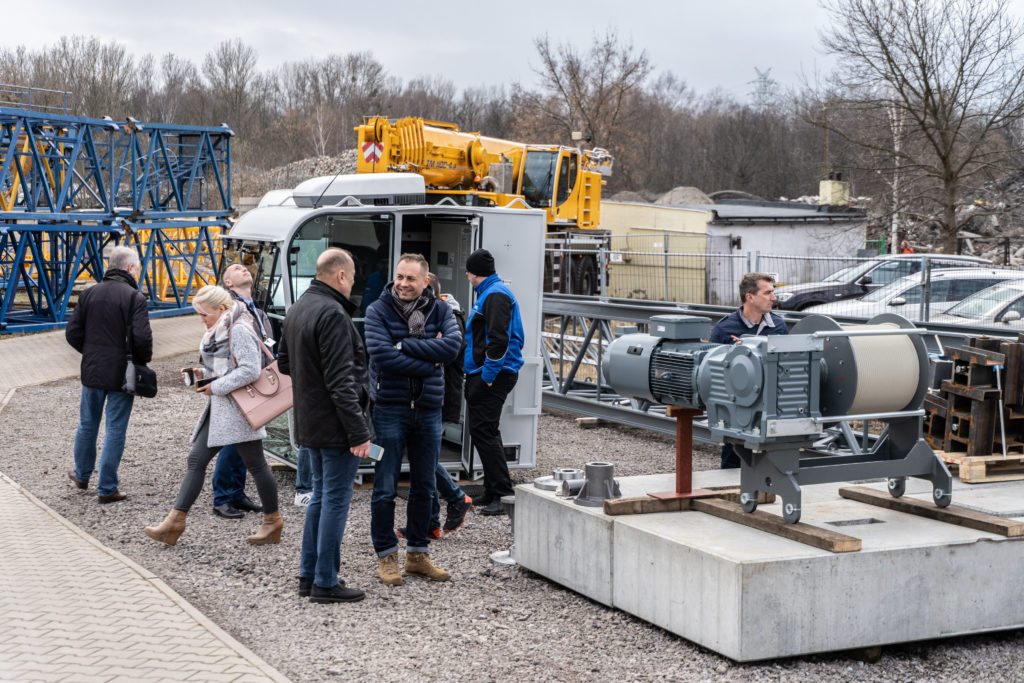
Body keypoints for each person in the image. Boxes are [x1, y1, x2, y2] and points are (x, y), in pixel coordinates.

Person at [143, 285, 282, 545]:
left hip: (240, 411)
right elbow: (225, 368)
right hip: (223, 409)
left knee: (256, 465)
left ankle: (273, 522)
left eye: (204, 314)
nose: (201, 319)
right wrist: (202, 374)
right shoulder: (221, 329)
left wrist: (215, 386)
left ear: (221, 309)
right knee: (196, 460)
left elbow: (250, 370)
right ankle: (174, 523)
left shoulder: (238, 329)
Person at [278, 248, 371, 604]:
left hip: (310, 420)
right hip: (336, 426)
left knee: (320, 496)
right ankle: (325, 582)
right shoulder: (333, 313)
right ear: (341, 276)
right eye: (352, 277)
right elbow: (341, 382)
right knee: (334, 499)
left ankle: (309, 575)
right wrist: (358, 432)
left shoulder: (299, 307)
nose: (352, 284)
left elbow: (284, 364)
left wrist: (311, 379)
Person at [365, 253, 460, 585]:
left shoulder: (441, 310)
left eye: (411, 279)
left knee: (425, 486)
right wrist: (430, 360)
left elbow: (452, 348)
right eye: (399, 277)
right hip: (389, 409)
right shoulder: (378, 310)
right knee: (384, 487)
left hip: (429, 410)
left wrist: (404, 345)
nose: (403, 284)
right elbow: (382, 356)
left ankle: (418, 554)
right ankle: (387, 556)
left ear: (425, 281)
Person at [66, 245, 152, 503]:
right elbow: (142, 339)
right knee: (115, 428)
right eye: (136, 268)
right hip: (122, 374)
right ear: (129, 268)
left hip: (92, 371)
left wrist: (91, 352)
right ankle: (106, 488)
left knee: (87, 424)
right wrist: (141, 361)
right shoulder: (134, 298)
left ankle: (82, 475)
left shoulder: (89, 293)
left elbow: (72, 333)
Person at [396, 273, 472, 539]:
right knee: (422, 458)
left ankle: (455, 498)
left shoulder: (450, 318)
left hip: (438, 398)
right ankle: (431, 521)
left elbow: (442, 355)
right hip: (425, 397)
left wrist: (414, 348)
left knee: (423, 458)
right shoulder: (427, 318)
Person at [463, 249, 525, 516]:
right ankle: (492, 489)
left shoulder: (495, 294)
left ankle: (503, 493)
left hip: (493, 375)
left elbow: (498, 341)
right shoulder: (490, 292)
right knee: (484, 431)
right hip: (489, 372)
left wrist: (487, 377)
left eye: (467, 272)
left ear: (472, 273)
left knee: (485, 432)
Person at [209, 263, 271, 519]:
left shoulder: (253, 308)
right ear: (228, 283)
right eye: (235, 268)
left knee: (244, 440)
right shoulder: (230, 310)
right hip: (238, 383)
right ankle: (223, 497)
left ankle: (236, 493)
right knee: (234, 441)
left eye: (244, 267)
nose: (243, 268)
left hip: (254, 382)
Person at [709, 272, 789, 468]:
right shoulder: (724, 329)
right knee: (733, 465)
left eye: (773, 292)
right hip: (737, 411)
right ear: (750, 297)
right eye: (767, 293)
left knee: (771, 465)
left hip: (770, 411)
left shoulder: (779, 327)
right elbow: (711, 371)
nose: (774, 298)